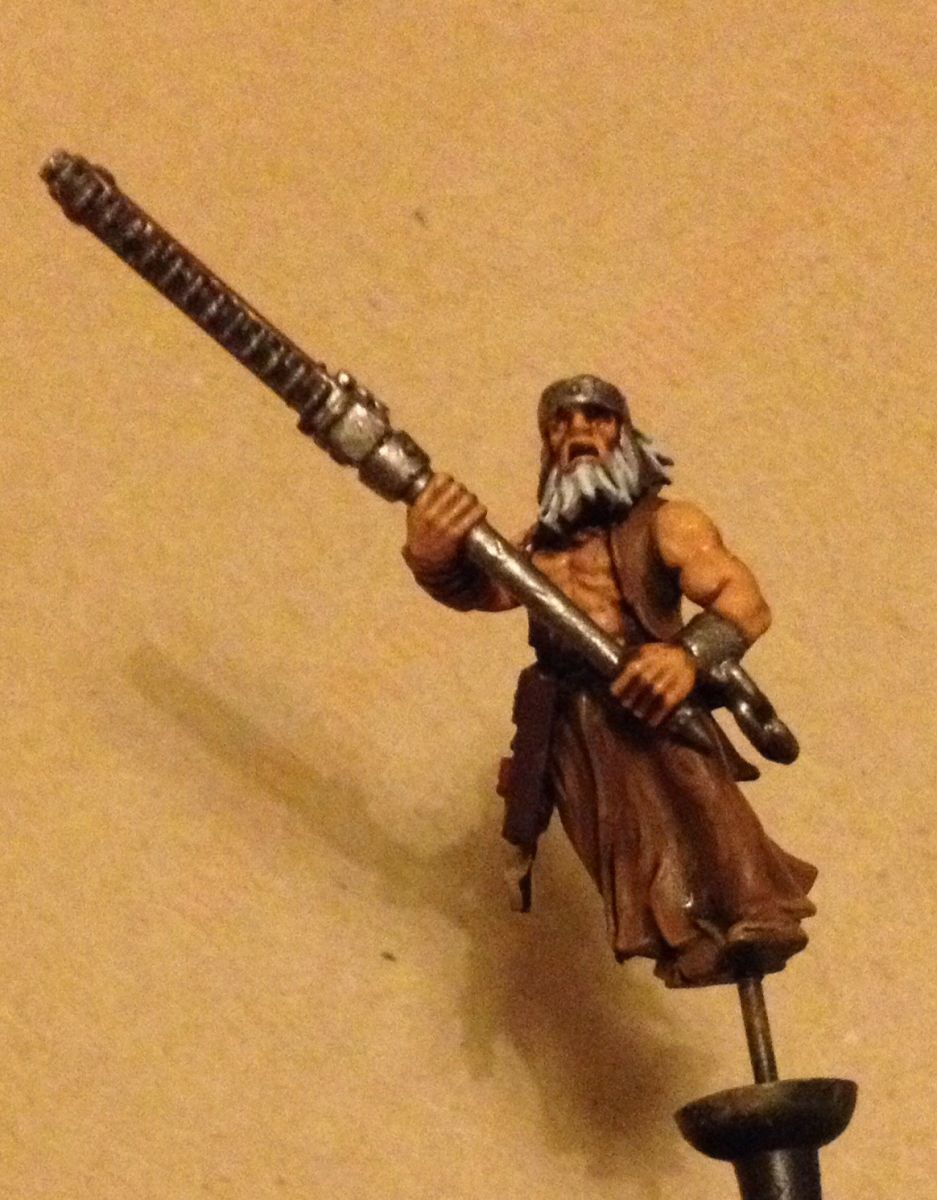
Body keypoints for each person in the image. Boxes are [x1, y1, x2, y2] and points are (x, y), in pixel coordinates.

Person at [402, 375, 815, 987]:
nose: (578, 434)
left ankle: (756, 913)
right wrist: (431, 554)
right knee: (625, 842)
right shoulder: (536, 548)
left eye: (596, 419)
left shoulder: (669, 524)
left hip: (651, 697)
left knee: (703, 806)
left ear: (624, 432)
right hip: (575, 724)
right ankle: (685, 942)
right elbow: (481, 590)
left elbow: (745, 603)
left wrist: (686, 657)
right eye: (560, 424)